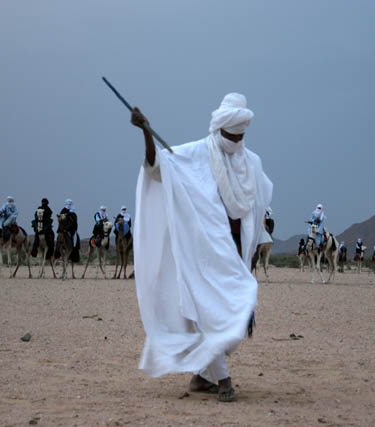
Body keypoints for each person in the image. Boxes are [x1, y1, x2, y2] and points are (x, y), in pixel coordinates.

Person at [132, 93, 273, 402]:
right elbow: (158, 166)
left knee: (237, 314)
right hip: (202, 251)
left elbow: (261, 201)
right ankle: (223, 381)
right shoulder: (195, 154)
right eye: (230, 135)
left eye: (240, 136)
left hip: (236, 252)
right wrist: (146, 131)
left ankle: (201, 377)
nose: (234, 141)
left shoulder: (252, 162)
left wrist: (251, 250)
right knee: (208, 314)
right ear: (218, 129)